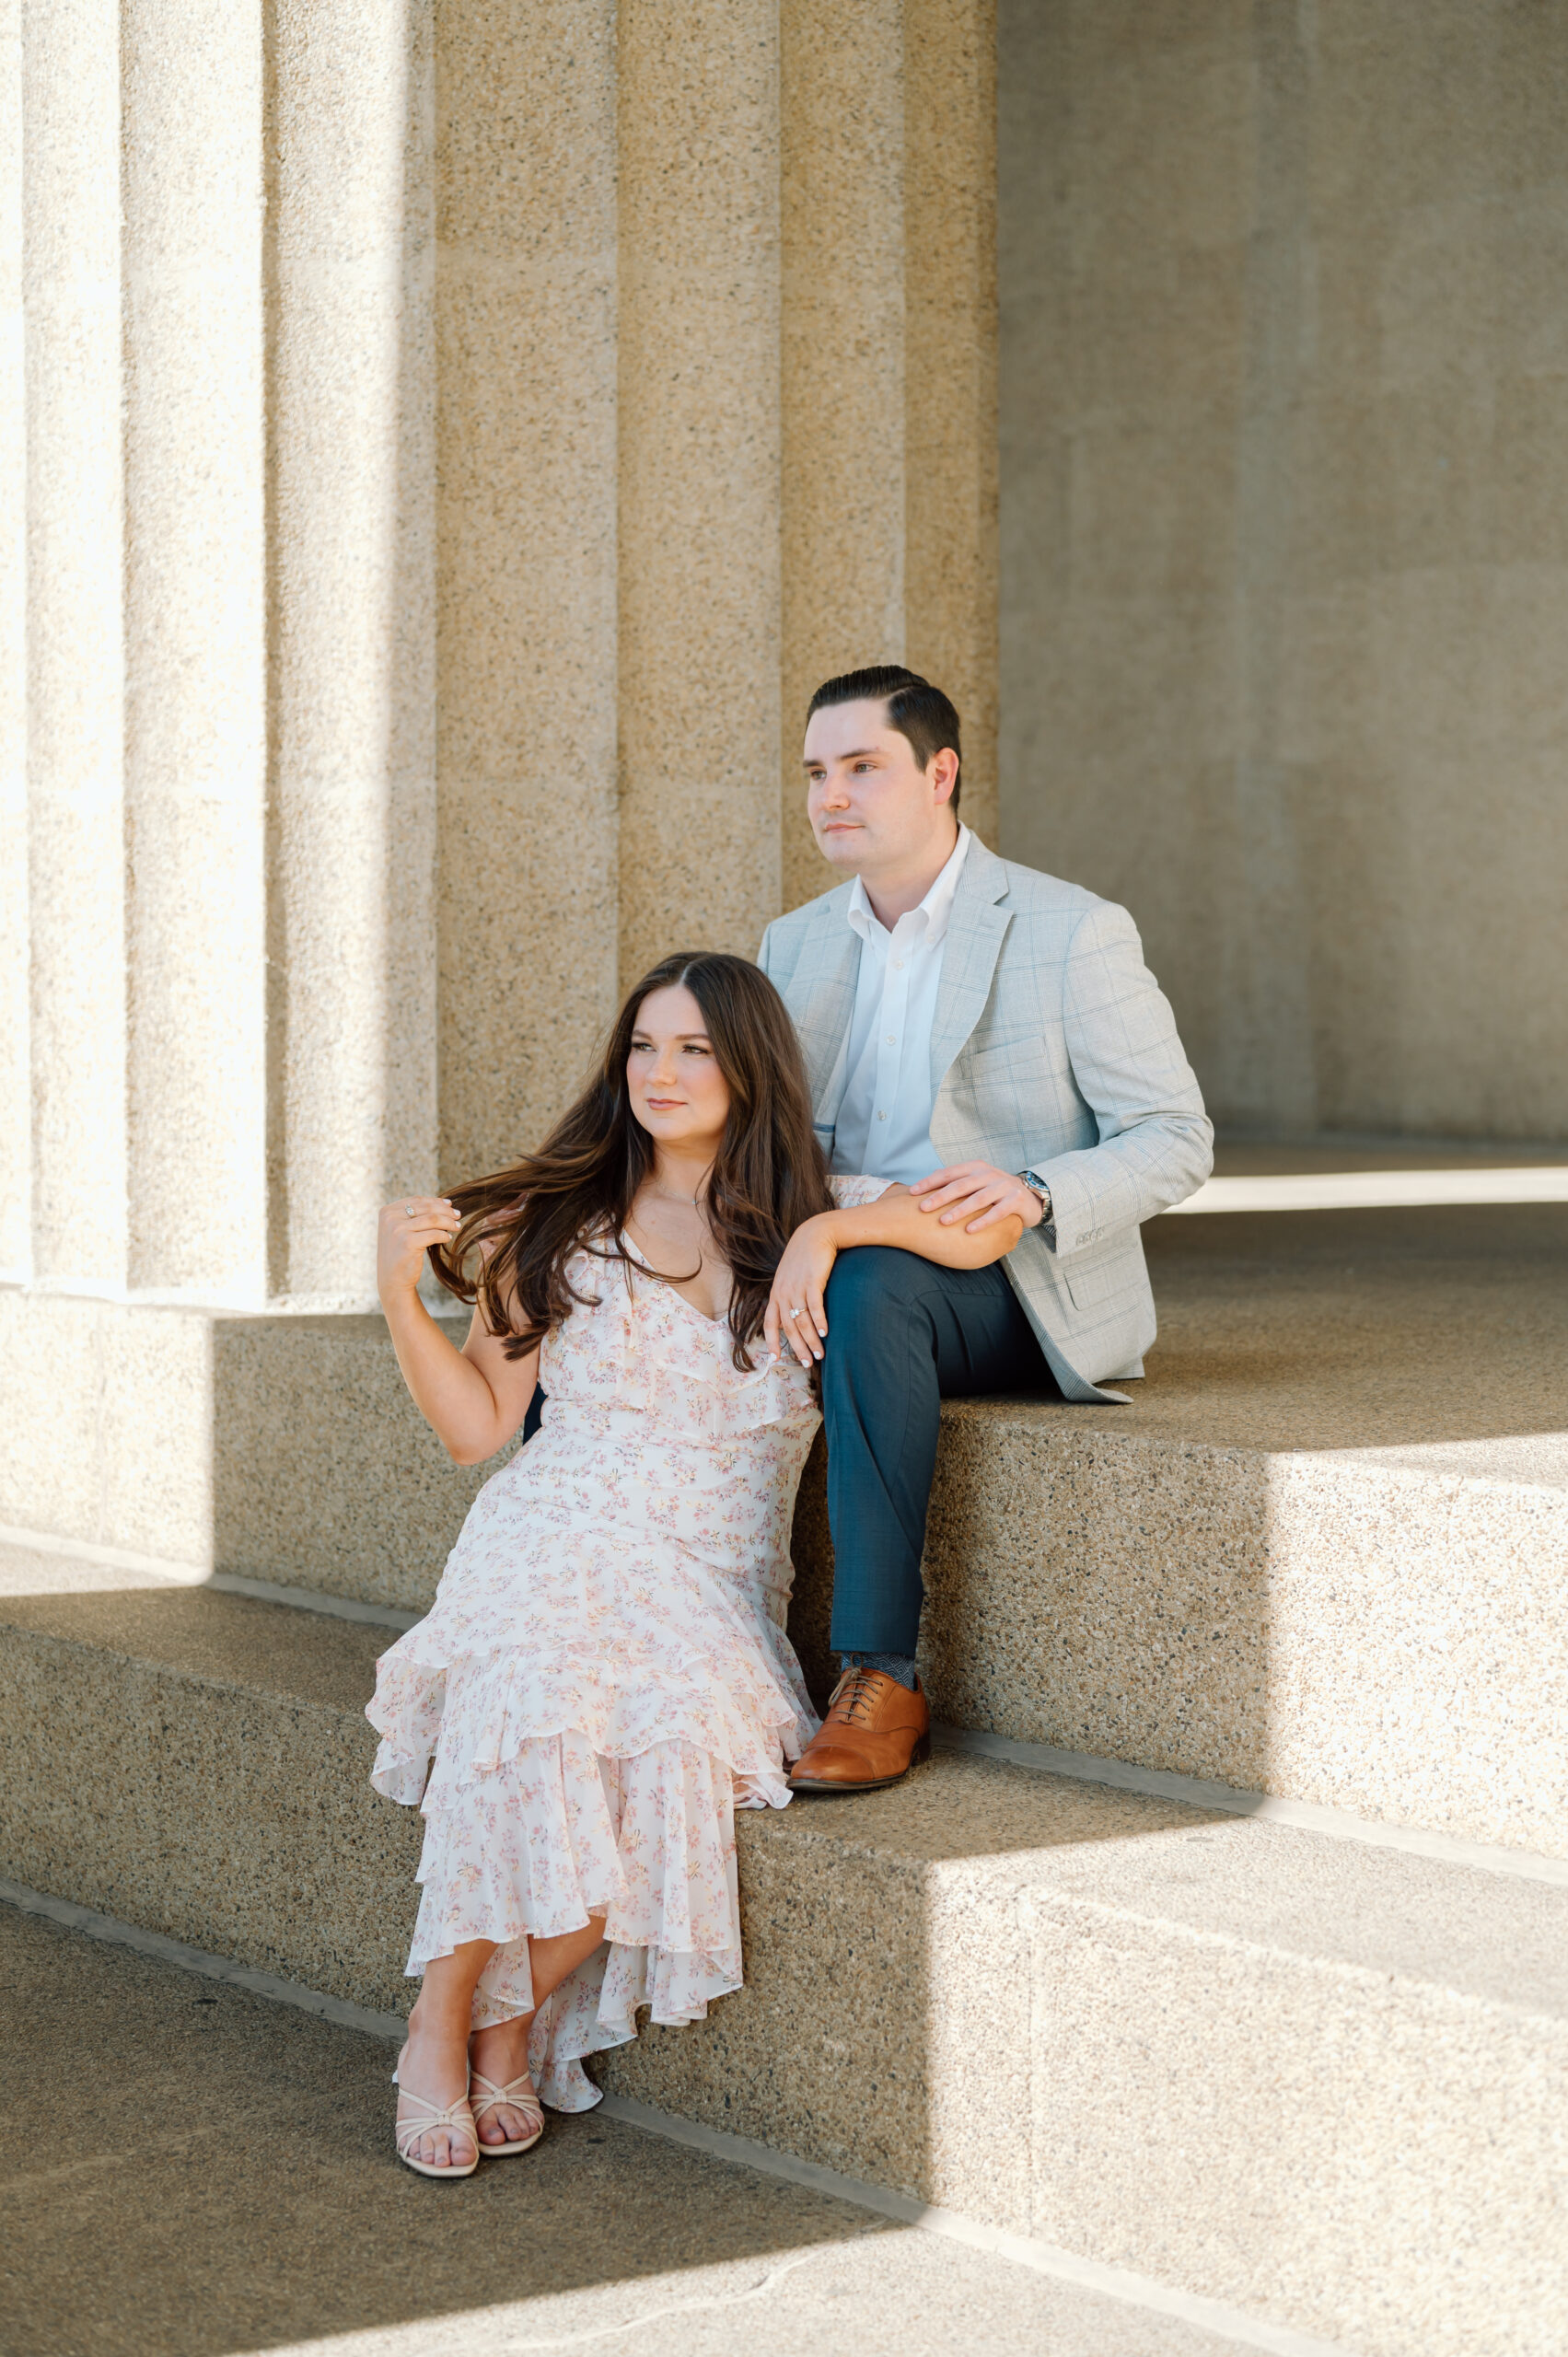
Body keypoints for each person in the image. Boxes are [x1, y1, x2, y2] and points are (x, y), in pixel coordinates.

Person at [367, 951, 1022, 2178]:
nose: (659, 1074)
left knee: (671, 1766)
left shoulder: (805, 1232)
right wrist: (402, 1300)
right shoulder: (552, 1227)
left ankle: (496, 2024)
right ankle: (436, 2031)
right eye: (641, 1048)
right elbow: (474, 1432)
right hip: (551, 1531)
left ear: (746, 1070)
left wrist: (834, 1226)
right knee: (541, 1714)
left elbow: (986, 1230)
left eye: (692, 1051)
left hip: (710, 1574)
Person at [760, 666, 1214, 1795]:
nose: (831, 795)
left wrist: (1038, 1189)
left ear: (939, 773)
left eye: (862, 766)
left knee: (871, 1291)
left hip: (1008, 1277)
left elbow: (1174, 1135)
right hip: (837, 1242)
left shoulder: (1069, 930)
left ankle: (877, 1672)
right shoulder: (792, 944)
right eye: (817, 771)